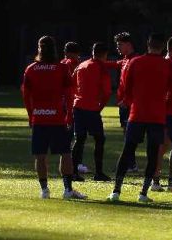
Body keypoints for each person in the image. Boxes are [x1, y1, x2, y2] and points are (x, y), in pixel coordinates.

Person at [108, 33, 172, 203]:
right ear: (162, 48)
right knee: (153, 154)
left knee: (127, 151)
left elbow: (125, 87)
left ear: (148, 44)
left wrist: (131, 101)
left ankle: (116, 191)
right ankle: (143, 193)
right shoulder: (168, 65)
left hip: (137, 113)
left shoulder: (135, 62)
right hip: (157, 116)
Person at [22, 36, 86, 200]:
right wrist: (69, 115)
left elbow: (26, 95)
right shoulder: (61, 69)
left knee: (40, 155)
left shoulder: (30, 69)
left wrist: (31, 116)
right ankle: (67, 190)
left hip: (39, 118)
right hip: (57, 118)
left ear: (39, 48)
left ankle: (44, 190)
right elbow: (70, 93)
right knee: (65, 153)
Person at [71, 42, 112, 183]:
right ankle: (98, 172)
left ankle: (73, 172)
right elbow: (107, 92)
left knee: (79, 139)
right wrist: (100, 106)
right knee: (99, 139)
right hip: (92, 108)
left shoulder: (81, 65)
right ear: (105, 54)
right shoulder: (101, 68)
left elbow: (71, 83)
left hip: (78, 106)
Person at [151, 36, 172, 193]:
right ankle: (170, 181)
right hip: (171, 112)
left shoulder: (167, 63)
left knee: (162, 146)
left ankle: (156, 180)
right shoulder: (171, 65)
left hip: (163, 111)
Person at [114, 32, 139, 172]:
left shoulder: (136, 60)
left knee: (130, 133)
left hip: (130, 104)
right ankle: (131, 163)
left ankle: (130, 163)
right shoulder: (124, 60)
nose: (117, 47)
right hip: (123, 103)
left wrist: (128, 100)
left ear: (128, 45)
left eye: (120, 45)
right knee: (126, 133)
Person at [61, 41, 82, 174]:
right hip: (69, 102)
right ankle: (72, 164)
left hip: (70, 101)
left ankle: (74, 162)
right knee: (73, 134)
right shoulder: (67, 65)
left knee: (75, 134)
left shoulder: (69, 64)